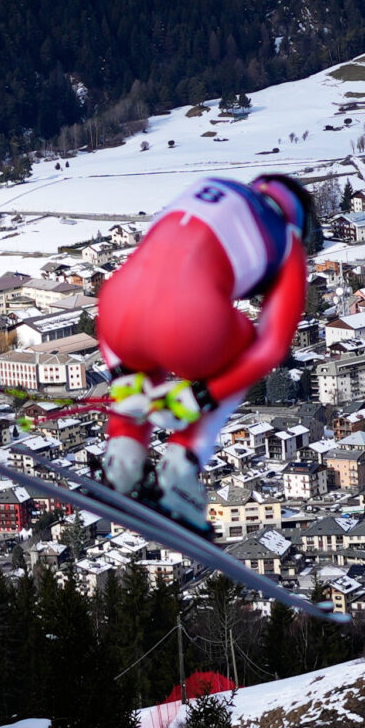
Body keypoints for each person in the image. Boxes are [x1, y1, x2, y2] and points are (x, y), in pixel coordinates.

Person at [97, 174, 312, 533]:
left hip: (116, 311)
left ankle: (122, 458)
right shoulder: (286, 237)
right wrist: (204, 395)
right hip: (192, 325)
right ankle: (179, 472)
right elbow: (271, 347)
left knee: (139, 367)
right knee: (248, 347)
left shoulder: (201, 190)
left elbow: (134, 283)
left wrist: (122, 380)